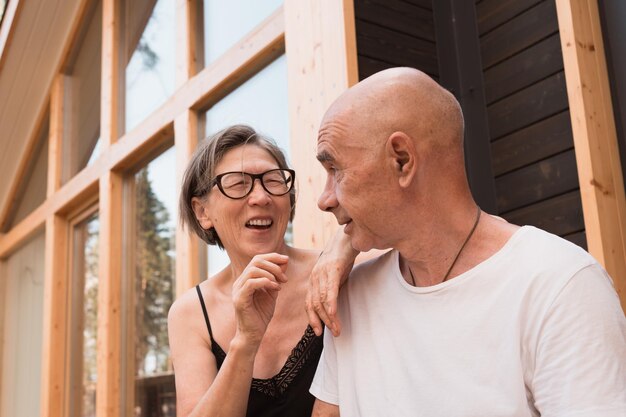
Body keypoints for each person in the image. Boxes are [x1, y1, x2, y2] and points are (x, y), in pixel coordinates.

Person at [308, 67, 626, 416]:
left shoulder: (558, 285)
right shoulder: (351, 298)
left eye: (335, 170)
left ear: (402, 160)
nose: (324, 199)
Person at [169, 125, 330, 417]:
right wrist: (245, 340)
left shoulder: (335, 270)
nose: (261, 197)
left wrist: (346, 244)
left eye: (272, 181)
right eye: (238, 184)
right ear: (202, 212)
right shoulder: (191, 314)